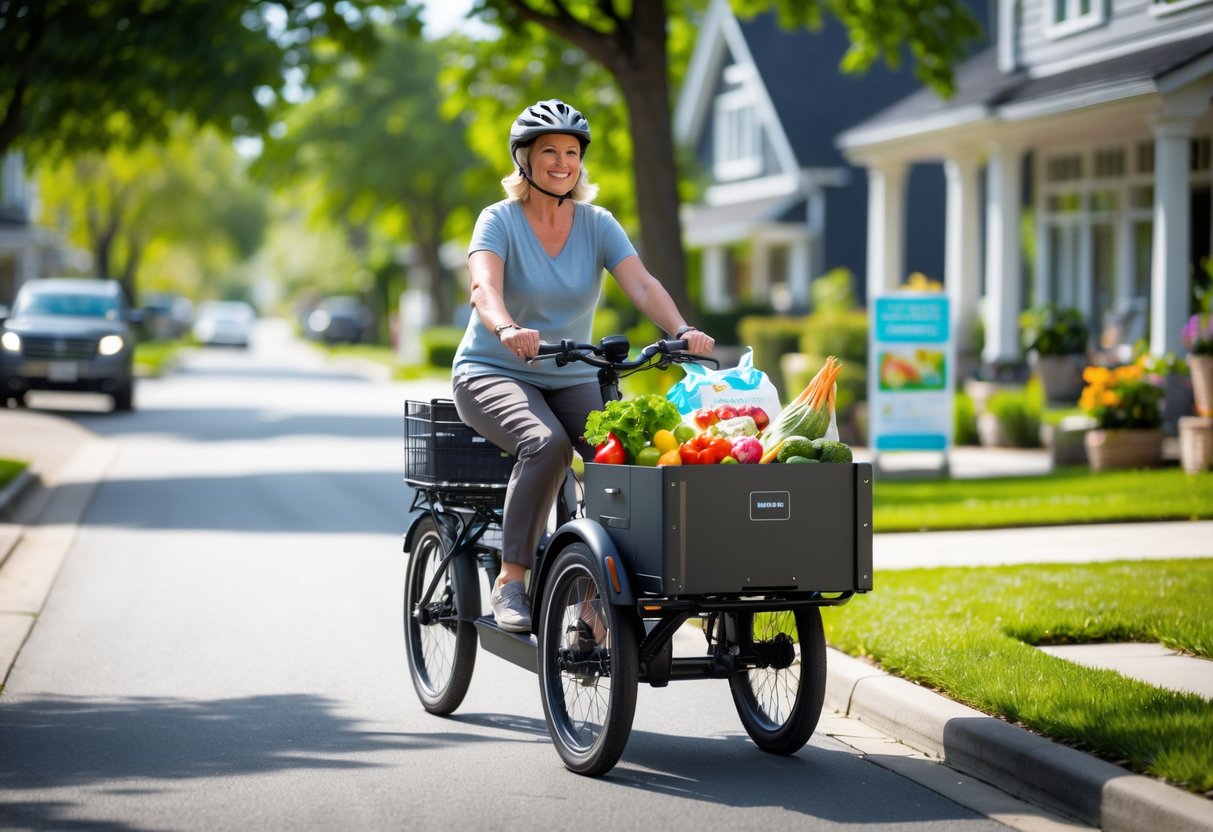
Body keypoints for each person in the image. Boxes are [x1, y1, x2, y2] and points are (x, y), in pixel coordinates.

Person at [451, 99, 715, 632]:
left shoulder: (597, 223)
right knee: (545, 445)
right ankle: (512, 580)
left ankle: (596, 598)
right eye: (549, 150)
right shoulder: (498, 219)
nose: (562, 162)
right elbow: (484, 286)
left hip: (572, 372)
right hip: (492, 369)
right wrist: (506, 328)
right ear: (523, 160)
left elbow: (640, 282)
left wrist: (680, 330)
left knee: (626, 464)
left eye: (571, 152)